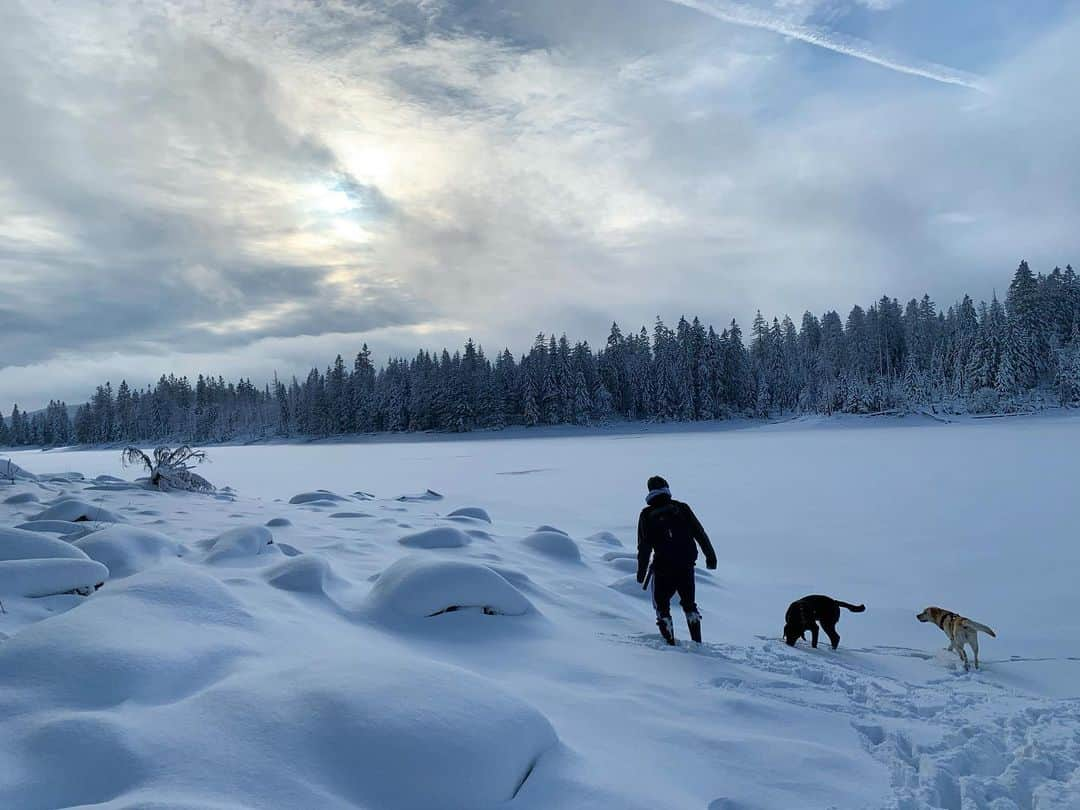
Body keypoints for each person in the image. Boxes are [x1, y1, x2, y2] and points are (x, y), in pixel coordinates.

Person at [636, 475, 717, 645]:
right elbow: (699, 533)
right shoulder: (681, 508)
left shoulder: (646, 514)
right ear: (667, 488)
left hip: (662, 567)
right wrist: (710, 557)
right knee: (689, 604)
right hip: (686, 565)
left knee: (661, 606)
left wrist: (641, 572)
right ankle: (697, 642)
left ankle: (670, 643)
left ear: (650, 492)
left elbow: (644, 547)